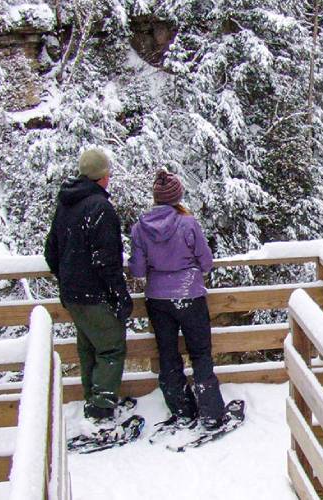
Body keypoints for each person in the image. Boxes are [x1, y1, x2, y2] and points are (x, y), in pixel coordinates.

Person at [128, 168, 228, 429]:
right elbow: (206, 262)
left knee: (168, 354)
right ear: (177, 196)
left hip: (158, 300)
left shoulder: (140, 228)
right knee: (200, 353)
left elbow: (137, 270)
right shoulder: (188, 223)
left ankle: (182, 409)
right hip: (190, 294)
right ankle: (211, 412)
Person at [44, 148, 133, 421]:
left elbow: (51, 251)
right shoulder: (99, 208)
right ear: (103, 176)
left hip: (73, 294)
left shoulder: (66, 204)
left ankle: (93, 400)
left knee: (89, 346)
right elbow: (107, 259)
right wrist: (120, 294)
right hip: (94, 294)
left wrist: (67, 279)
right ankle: (101, 410)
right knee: (111, 347)